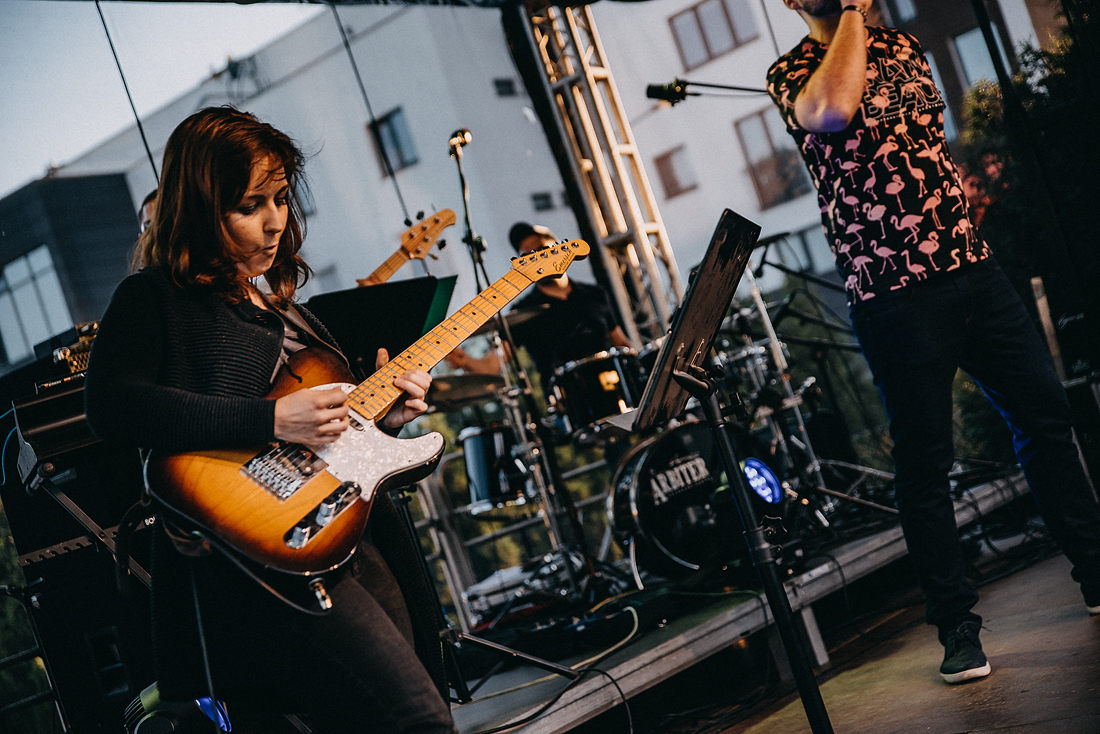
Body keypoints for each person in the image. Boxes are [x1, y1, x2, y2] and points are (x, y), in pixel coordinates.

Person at [85, 107, 456, 732]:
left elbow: (324, 437)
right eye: (250, 205)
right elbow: (113, 408)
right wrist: (271, 418)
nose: (274, 222)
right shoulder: (154, 296)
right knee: (417, 720)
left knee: (418, 709)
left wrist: (380, 421)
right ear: (200, 207)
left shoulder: (283, 308)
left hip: (346, 537)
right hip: (256, 562)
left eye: (281, 199)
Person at [767, 0, 1100, 684]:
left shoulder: (906, 48)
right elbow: (832, 113)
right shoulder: (795, 72)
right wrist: (855, 15)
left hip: (972, 270)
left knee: (1045, 418)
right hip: (893, 294)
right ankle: (957, 628)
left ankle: (1095, 568)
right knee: (925, 465)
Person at [446, 222, 633, 389]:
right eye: (529, 256)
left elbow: (621, 343)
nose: (538, 259)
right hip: (569, 403)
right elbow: (494, 365)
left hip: (618, 387)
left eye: (542, 250)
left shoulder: (594, 294)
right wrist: (464, 360)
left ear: (560, 247)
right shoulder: (523, 310)